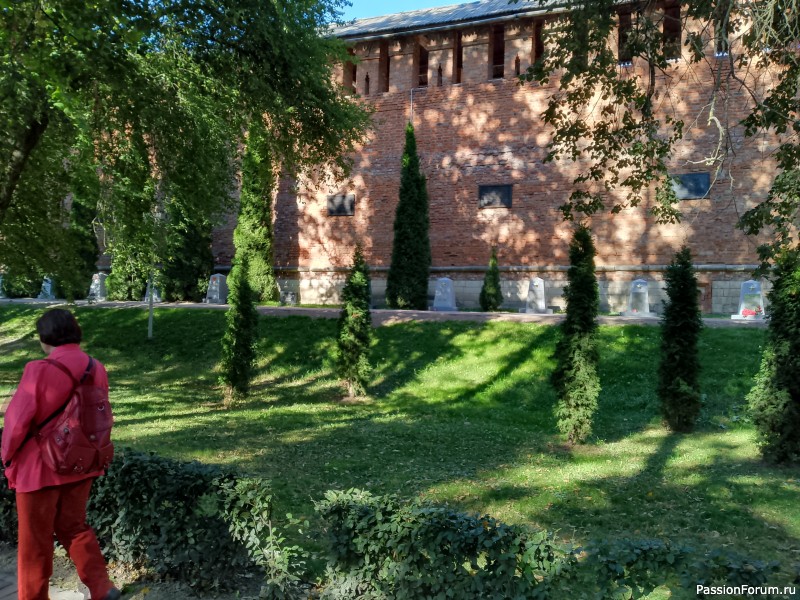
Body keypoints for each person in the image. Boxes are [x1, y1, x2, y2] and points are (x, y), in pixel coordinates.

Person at [1, 309, 120, 600]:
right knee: (74, 527)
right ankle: (102, 587)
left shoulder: (38, 370)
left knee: (34, 541)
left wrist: (6, 457)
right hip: (80, 462)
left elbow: (17, 422)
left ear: (45, 337)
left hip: (39, 468)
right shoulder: (96, 367)